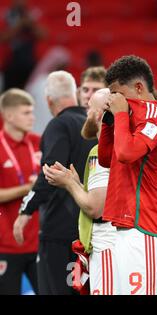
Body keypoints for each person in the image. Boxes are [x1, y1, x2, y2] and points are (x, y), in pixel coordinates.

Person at [98, 55, 157, 295]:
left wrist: (121, 114)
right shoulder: (130, 118)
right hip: (126, 227)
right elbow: (105, 159)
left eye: (117, 93)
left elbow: (125, 153)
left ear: (139, 88)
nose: (114, 100)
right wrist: (108, 121)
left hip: (146, 230)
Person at [13, 71, 97, 295]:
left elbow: (50, 172)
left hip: (59, 231)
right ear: (76, 94)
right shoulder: (93, 126)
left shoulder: (59, 125)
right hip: (88, 229)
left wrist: (26, 210)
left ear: (48, 100)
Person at [42, 88, 117, 295]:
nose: (85, 114)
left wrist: (69, 183)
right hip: (113, 244)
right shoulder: (118, 145)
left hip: (107, 246)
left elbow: (94, 207)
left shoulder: (102, 150)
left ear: (98, 114)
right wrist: (78, 182)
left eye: (88, 108)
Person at [0, 88, 40, 294]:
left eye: (32, 111)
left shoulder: (38, 142)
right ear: (8, 115)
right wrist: (28, 188)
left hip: (39, 241)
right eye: (26, 112)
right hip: (5, 244)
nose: (32, 117)